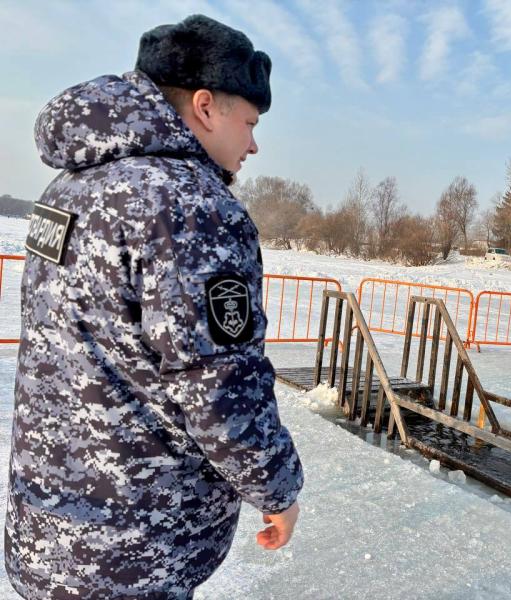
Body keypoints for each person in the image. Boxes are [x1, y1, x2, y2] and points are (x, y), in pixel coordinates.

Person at [5, 15, 303, 599]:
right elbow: (219, 385)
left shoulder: (69, 187)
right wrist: (278, 489)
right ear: (204, 106)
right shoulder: (192, 207)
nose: (254, 142)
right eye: (249, 121)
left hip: (49, 528)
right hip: (135, 547)